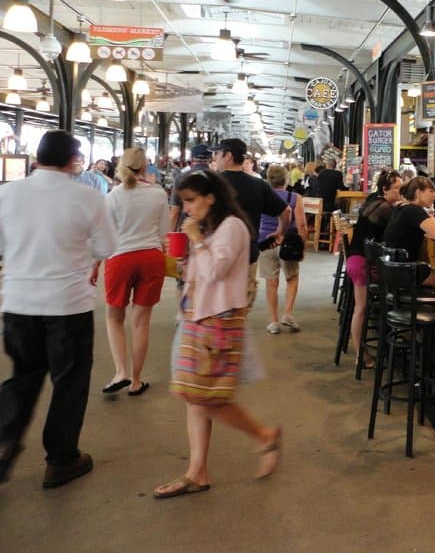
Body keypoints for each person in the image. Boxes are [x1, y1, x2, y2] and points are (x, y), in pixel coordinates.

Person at [0, 130, 117, 488]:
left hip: (19, 302)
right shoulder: (88, 196)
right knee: (69, 382)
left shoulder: (7, 193)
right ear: (72, 160)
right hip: (68, 304)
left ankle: (3, 444)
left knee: (23, 377)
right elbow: (107, 246)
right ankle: (61, 459)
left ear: (37, 156)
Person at [155, 170, 280, 498]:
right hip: (198, 318)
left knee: (205, 399)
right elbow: (202, 271)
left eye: (191, 201)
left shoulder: (232, 228)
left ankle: (264, 436)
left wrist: (195, 239)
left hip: (217, 323)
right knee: (195, 398)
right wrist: (184, 257)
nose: (187, 209)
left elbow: (215, 272)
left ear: (211, 198)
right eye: (184, 202)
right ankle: (198, 471)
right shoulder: (214, 228)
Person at [96, 146, 169, 397]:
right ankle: (136, 380)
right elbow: (163, 234)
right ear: (145, 166)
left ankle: (121, 372)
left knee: (114, 317)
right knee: (141, 322)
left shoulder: (113, 196)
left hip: (120, 259)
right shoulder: (159, 194)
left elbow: (103, 236)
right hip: (151, 258)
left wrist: (95, 264)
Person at [212, 138, 290, 309]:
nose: (215, 158)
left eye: (217, 154)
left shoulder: (212, 184)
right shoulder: (258, 185)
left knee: (217, 307)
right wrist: (280, 232)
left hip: (216, 255)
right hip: (247, 254)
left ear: (228, 156)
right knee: (241, 308)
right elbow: (286, 211)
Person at [345, 169, 403, 367]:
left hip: (355, 260)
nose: (400, 193)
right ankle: (361, 355)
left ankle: (394, 336)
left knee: (364, 306)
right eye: (398, 189)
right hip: (362, 264)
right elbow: (397, 230)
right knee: (361, 308)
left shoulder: (373, 199)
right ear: (386, 189)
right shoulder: (385, 208)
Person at [381, 176, 435, 299]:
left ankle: (426, 310)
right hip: (407, 271)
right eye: (431, 191)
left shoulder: (401, 208)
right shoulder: (415, 211)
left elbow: (426, 225)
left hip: (392, 269)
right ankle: (433, 313)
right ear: (418, 192)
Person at [258, 164, 307, 335]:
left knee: (271, 282)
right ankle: (288, 313)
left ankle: (273, 321)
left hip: (266, 241)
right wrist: (303, 245)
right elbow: (301, 224)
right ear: (286, 180)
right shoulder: (295, 198)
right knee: (292, 277)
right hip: (288, 243)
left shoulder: (262, 197)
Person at [168, 144, 213, 231]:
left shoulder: (181, 178)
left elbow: (174, 212)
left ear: (192, 159)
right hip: (211, 230)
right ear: (210, 159)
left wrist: (169, 234)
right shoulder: (217, 178)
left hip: (187, 228)